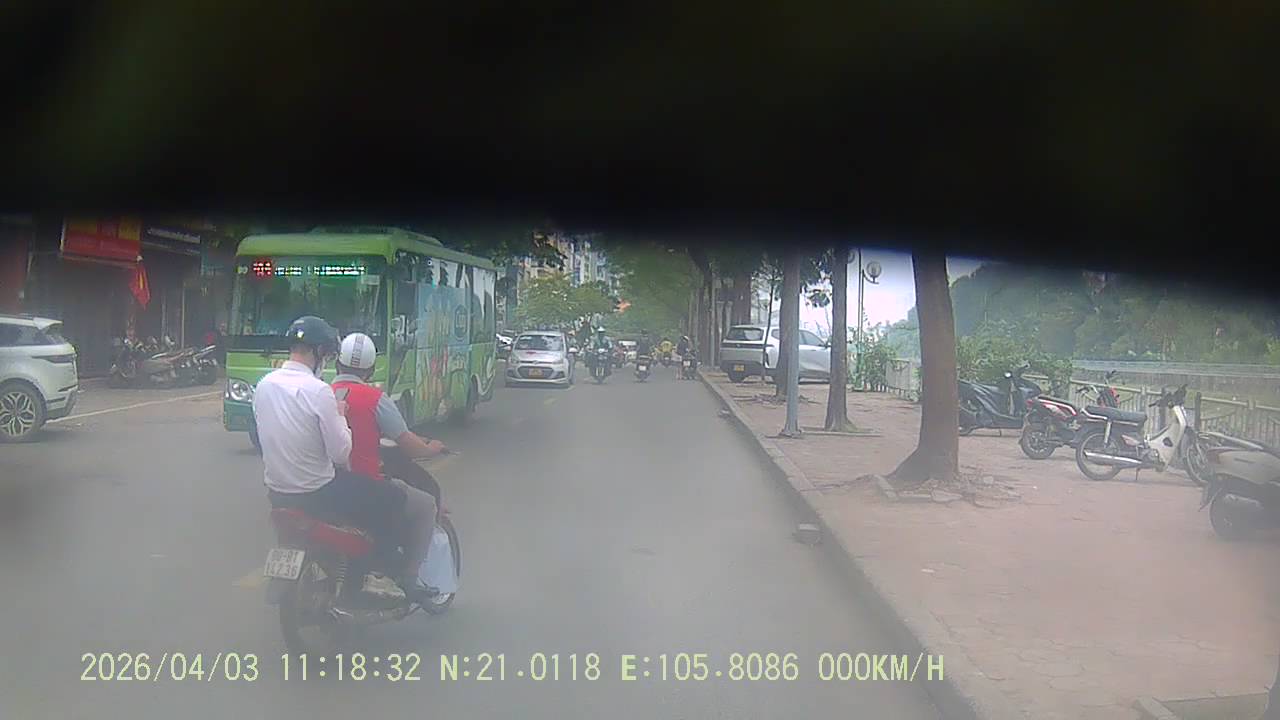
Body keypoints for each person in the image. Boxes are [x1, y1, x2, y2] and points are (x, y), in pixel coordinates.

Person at [251, 317, 417, 601]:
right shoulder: (318, 391)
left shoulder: (264, 385)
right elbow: (340, 453)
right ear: (318, 353)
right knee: (393, 498)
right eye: (326, 355)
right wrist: (339, 415)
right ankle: (376, 575)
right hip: (319, 492)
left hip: (277, 492)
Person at [332, 332, 446, 600]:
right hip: (366, 485)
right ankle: (409, 578)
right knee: (426, 504)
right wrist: (431, 448)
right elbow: (408, 444)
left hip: (328, 483)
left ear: (336, 364)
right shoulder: (376, 399)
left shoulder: (321, 393)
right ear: (371, 370)